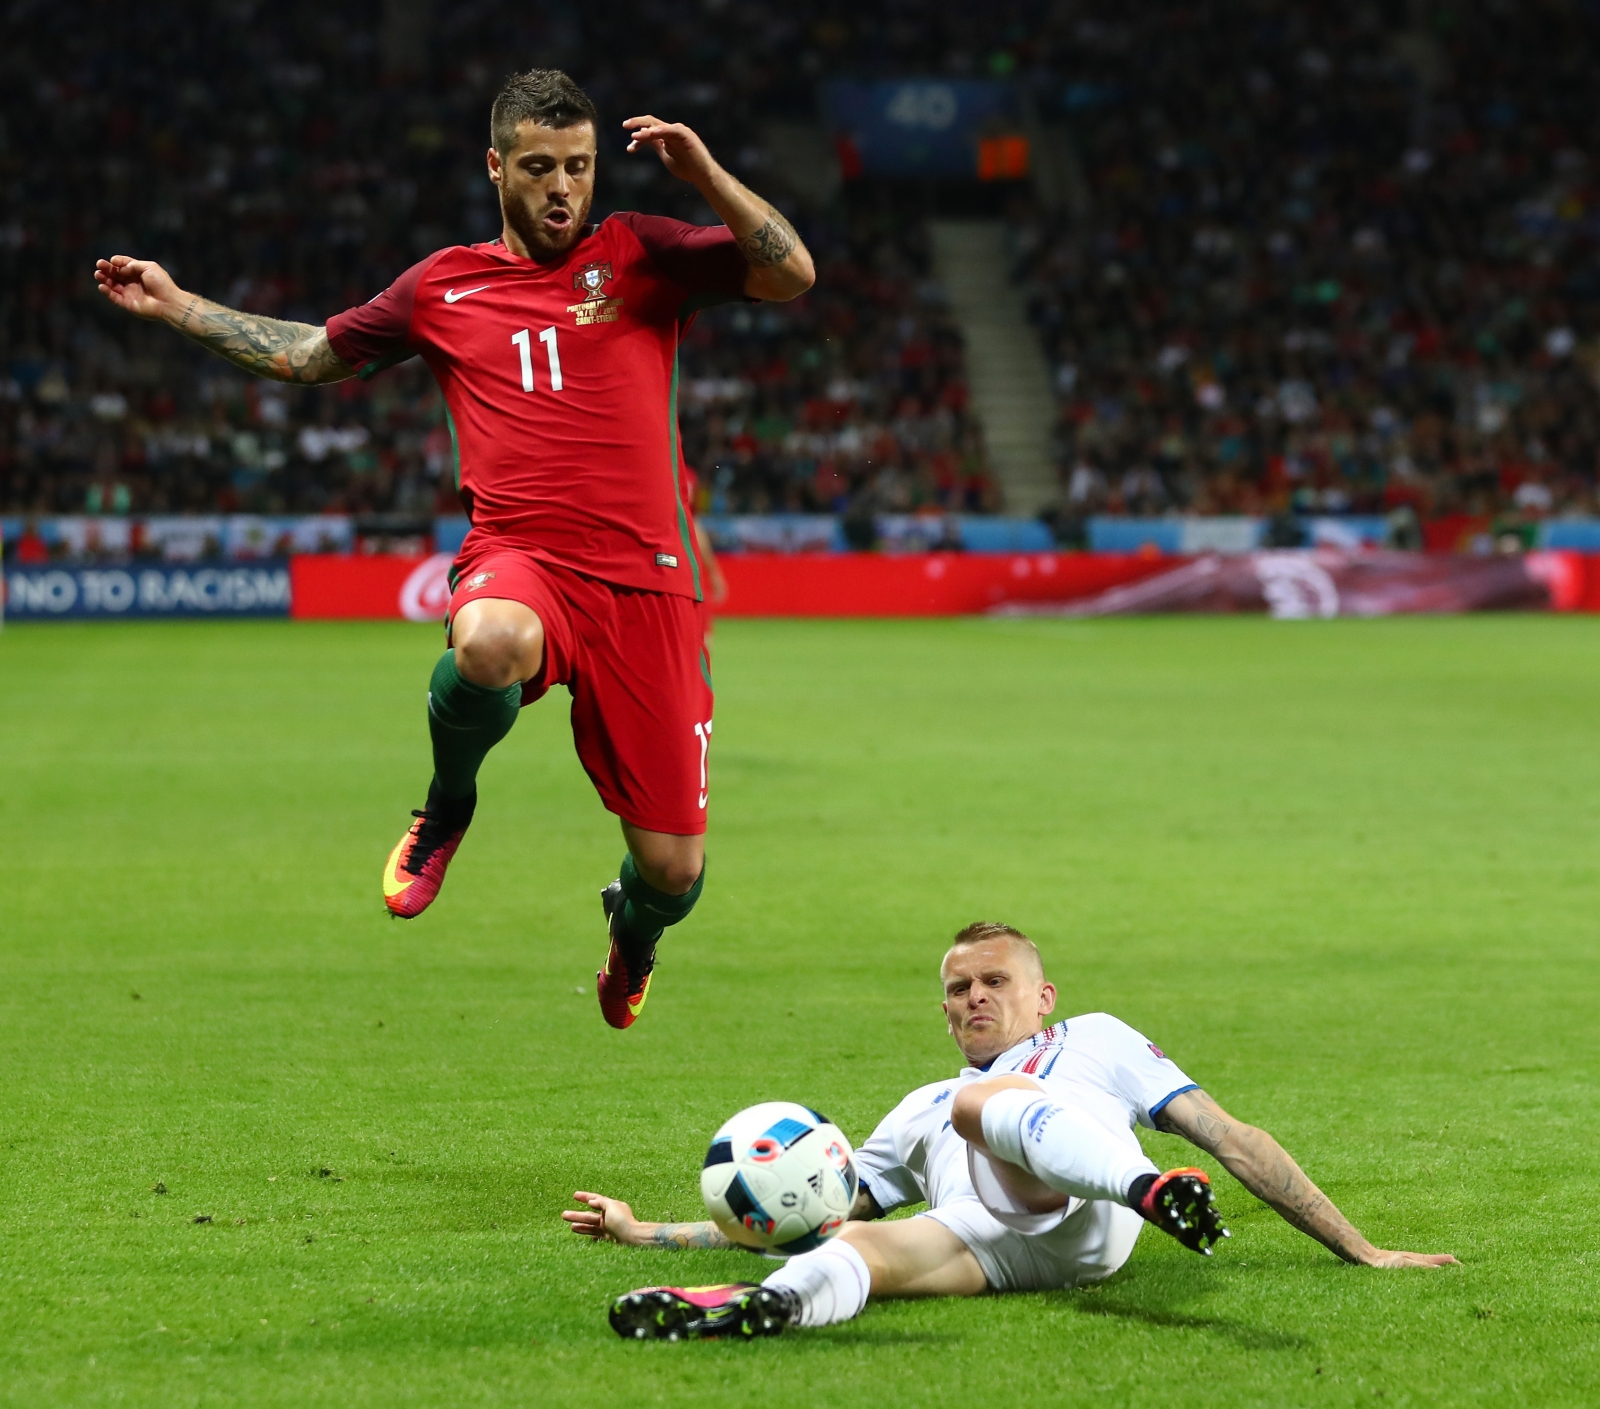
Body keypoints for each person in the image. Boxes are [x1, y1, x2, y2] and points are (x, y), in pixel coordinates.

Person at [93, 70, 814, 1030]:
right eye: (541, 167)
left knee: (673, 868)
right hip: (526, 559)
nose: (564, 188)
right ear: (496, 167)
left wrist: (707, 173)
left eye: (581, 168)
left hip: (648, 588)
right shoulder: (442, 286)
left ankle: (631, 935)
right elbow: (309, 357)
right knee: (487, 643)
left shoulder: (641, 251)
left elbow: (792, 273)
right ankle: (446, 808)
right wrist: (178, 305)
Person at [566, 921, 1457, 1340]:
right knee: (866, 1245)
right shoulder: (916, 1107)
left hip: (1089, 1211)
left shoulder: (1096, 1040)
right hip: (997, 1252)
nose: (976, 997)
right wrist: (642, 1229)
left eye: (995, 980)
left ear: (1043, 997)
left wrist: (1363, 1249)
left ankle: (1146, 1189)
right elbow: (813, 1210)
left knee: (977, 1105)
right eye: (959, 989)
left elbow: (1232, 1137)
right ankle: (774, 1308)